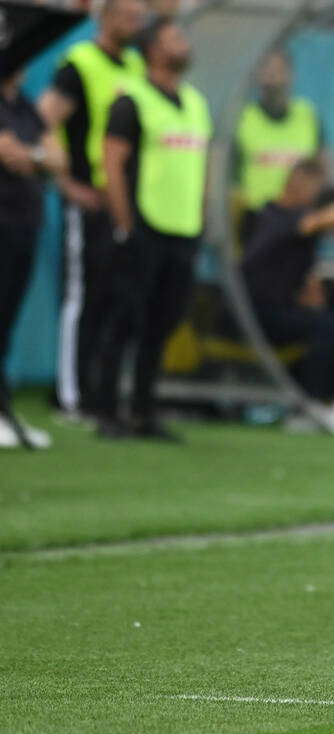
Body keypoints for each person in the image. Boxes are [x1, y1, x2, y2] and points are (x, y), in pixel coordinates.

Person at [94, 16, 211, 440]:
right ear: (152, 51)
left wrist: (200, 219)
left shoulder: (195, 102)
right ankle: (106, 410)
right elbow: (113, 164)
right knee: (126, 319)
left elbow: (200, 167)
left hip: (183, 230)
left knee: (163, 322)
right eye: (173, 38)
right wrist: (125, 225)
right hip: (144, 227)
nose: (182, 43)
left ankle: (144, 410)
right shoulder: (131, 100)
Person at [38, 0, 145, 419]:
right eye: (126, 13)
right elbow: (43, 119)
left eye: (139, 15)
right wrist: (66, 184)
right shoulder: (79, 63)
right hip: (89, 200)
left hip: (123, 203)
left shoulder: (136, 65)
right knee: (80, 298)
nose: (134, 21)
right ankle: (70, 394)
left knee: (111, 297)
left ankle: (100, 390)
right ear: (105, 16)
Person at [240, 157, 334, 434]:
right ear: (297, 183)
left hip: (288, 310)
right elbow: (321, 220)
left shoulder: (301, 226)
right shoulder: (273, 217)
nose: (318, 196)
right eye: (316, 188)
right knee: (330, 325)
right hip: (257, 314)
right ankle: (317, 403)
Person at [0, 69, 67, 448]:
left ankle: (3, 411)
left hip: (25, 223)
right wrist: (37, 155)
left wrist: (31, 154)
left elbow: (59, 160)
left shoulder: (26, 105)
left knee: (6, 324)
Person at [235, 47, 325, 246]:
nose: (273, 77)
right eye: (267, 69)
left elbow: (321, 166)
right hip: (258, 217)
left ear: (291, 75)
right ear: (257, 75)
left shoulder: (307, 115)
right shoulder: (244, 118)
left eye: (279, 70)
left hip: (300, 219)